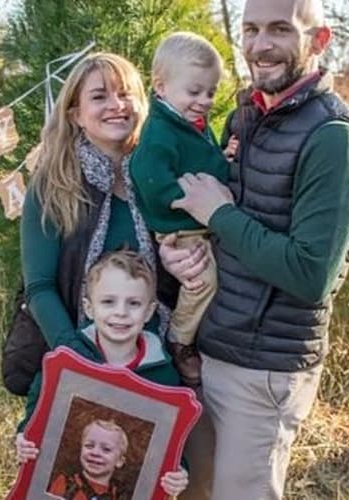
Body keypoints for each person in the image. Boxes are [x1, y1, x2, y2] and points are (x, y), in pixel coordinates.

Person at [165, 0, 349, 497]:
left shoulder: (334, 138)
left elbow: (311, 275)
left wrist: (218, 214)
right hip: (213, 351)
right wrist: (190, 251)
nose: (261, 45)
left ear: (319, 41)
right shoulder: (246, 116)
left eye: (281, 29)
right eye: (252, 29)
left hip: (263, 372)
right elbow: (230, 221)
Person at [19, 52, 208, 360]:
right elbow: (39, 286)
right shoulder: (52, 185)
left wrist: (177, 265)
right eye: (99, 96)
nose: (116, 106)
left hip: (158, 355)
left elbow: (192, 253)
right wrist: (74, 352)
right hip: (78, 350)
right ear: (75, 114)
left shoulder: (163, 176)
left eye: (125, 94)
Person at [15, 250, 189, 498]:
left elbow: (171, 446)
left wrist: (178, 472)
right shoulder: (67, 365)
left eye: (134, 303)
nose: (121, 312)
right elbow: (35, 414)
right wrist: (23, 437)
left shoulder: (162, 375)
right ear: (89, 307)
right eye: (108, 301)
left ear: (150, 311)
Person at [129, 32, 232, 387]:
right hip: (180, 225)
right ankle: (179, 340)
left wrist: (225, 157)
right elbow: (148, 175)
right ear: (161, 87)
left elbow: (205, 161)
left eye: (211, 92)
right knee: (203, 280)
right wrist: (185, 198)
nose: (204, 100)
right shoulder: (160, 131)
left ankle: (202, 336)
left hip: (202, 221)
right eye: (195, 91)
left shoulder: (191, 122)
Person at [47, 419, 128, 500]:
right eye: (89, 446)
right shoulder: (64, 483)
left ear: (119, 461)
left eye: (106, 449)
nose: (95, 453)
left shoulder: (118, 495)